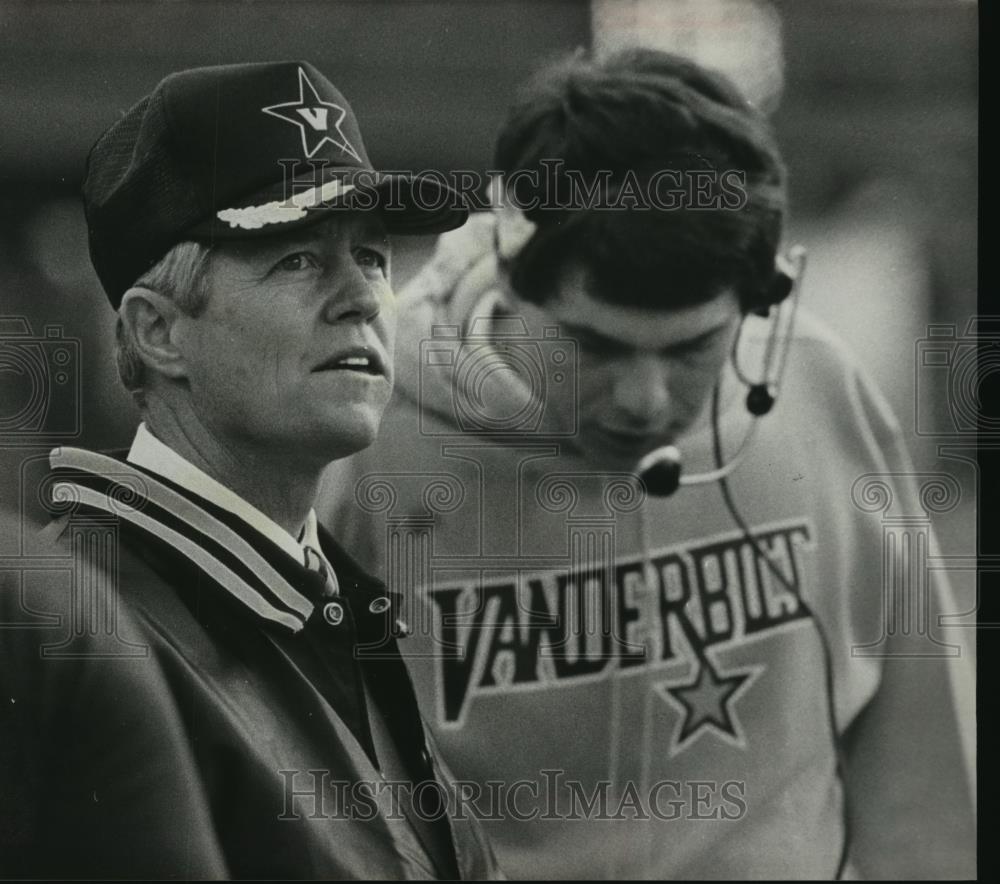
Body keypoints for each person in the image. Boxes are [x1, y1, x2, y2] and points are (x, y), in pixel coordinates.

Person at [317, 49, 976, 879]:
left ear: (767, 292)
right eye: (595, 343)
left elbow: (916, 763)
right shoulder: (358, 437)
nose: (645, 398)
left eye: (696, 346)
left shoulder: (818, 387)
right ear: (512, 275)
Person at [0, 60, 501, 879]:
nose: (364, 298)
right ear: (159, 332)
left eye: (372, 256)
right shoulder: (65, 637)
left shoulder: (326, 599)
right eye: (298, 259)